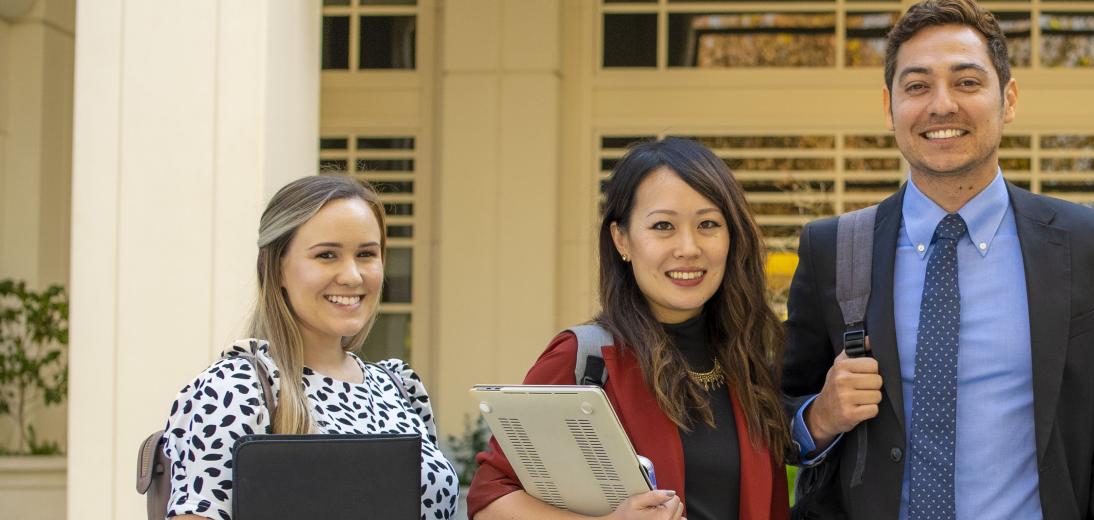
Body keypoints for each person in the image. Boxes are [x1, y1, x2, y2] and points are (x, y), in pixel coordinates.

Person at [781, 0, 1094, 520]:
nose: (942, 105)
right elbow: (776, 412)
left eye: (967, 82)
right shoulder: (833, 248)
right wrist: (818, 418)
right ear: (889, 106)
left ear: (1009, 99)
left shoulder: (1090, 243)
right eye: (917, 86)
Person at [468, 138, 788, 520]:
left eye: (708, 224)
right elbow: (489, 501)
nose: (689, 247)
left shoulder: (748, 362)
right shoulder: (585, 358)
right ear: (622, 239)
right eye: (663, 226)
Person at [161, 175, 458, 520]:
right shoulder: (236, 390)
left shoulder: (400, 388)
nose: (352, 276)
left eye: (366, 254)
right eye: (327, 255)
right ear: (278, 269)